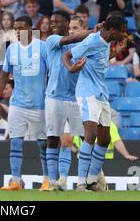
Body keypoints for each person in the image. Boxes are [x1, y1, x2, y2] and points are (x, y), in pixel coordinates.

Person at [62, 14, 127, 191]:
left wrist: (117, 51)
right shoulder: (92, 40)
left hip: (101, 92)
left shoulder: (105, 43)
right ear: (113, 30)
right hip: (86, 91)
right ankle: (81, 183)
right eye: (122, 31)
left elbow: (99, 61)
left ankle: (92, 181)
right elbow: (67, 55)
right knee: (90, 133)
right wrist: (72, 68)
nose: (123, 34)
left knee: (105, 139)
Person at [0, 16, 49, 191]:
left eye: (21, 28)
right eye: (15, 28)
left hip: (40, 104)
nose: (17, 31)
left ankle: (47, 180)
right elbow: (3, 76)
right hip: (17, 103)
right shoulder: (11, 49)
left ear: (31, 28)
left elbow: (52, 73)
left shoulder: (43, 47)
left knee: (43, 144)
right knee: (15, 142)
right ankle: (16, 181)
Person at [43, 12, 97, 191]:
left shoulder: (81, 45)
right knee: (52, 139)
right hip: (54, 98)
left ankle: (88, 180)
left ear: (67, 23)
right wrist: (94, 31)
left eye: (57, 21)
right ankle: (52, 182)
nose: (53, 24)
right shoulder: (52, 40)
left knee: (85, 138)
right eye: (52, 21)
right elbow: (71, 38)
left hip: (76, 98)